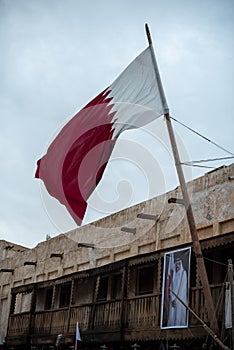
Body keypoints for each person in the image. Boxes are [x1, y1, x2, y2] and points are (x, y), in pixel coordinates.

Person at [167, 257, 188, 327]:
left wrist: (176, 299)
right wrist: (173, 299)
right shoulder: (174, 276)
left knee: (179, 315)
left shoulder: (183, 273)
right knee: (172, 315)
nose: (177, 266)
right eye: (176, 264)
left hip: (180, 298)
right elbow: (172, 287)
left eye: (178, 264)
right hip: (173, 299)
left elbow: (182, 287)